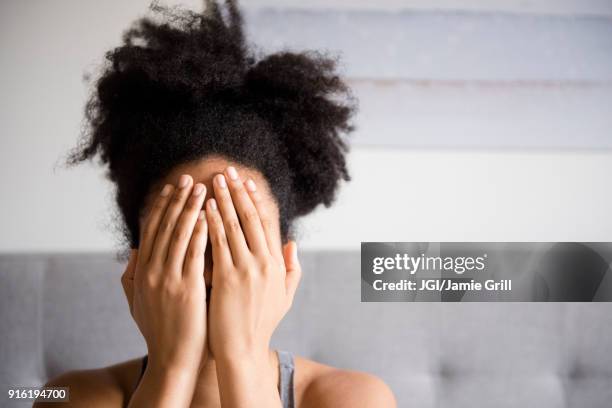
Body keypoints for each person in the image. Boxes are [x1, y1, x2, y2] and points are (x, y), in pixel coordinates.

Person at [36, 1, 396, 407]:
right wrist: (171, 369)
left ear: (285, 261)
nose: (215, 269)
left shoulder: (355, 398)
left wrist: (239, 357)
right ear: (137, 264)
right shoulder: (70, 397)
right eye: (184, 234)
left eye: (240, 232)